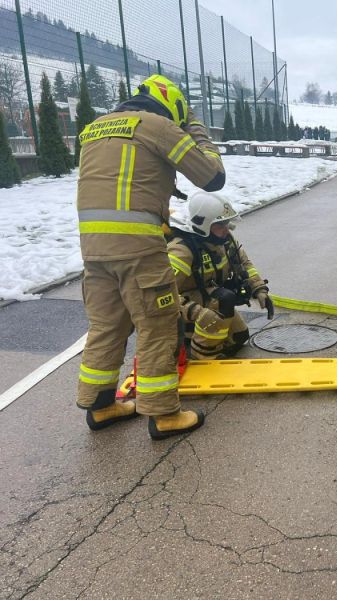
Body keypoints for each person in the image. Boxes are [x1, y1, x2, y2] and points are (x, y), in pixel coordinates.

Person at [76, 74, 225, 439]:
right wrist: (194, 129)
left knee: (107, 326)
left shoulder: (95, 129)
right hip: (139, 249)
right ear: (172, 106)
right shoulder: (158, 126)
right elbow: (212, 177)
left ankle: (100, 405)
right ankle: (164, 415)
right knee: (158, 326)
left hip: (93, 248)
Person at [167, 192, 273, 359]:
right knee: (224, 299)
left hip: (207, 297)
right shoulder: (182, 250)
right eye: (220, 225)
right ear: (204, 225)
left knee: (238, 337)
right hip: (182, 305)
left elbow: (244, 264)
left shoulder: (225, 240)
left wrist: (259, 289)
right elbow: (162, 294)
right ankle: (201, 354)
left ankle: (191, 337)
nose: (226, 229)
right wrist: (194, 311)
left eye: (226, 223)